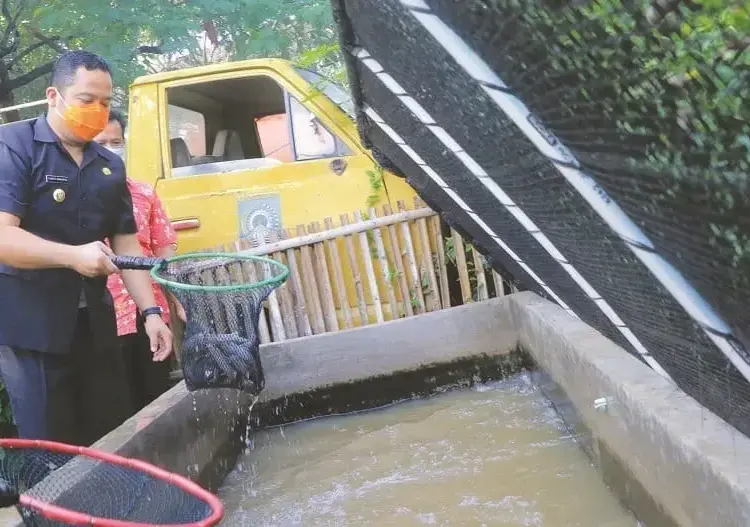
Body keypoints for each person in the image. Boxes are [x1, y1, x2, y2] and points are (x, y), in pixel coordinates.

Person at [0, 51, 173, 445]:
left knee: (108, 435)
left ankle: (112, 507)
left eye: (105, 102)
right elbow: (3, 237)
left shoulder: (108, 165)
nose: (97, 110)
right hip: (31, 328)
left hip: (95, 324)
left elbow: (126, 243)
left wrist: (150, 313)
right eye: (86, 100)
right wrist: (73, 257)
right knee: (50, 446)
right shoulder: (13, 147)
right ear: (53, 96)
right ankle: (48, 508)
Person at [94, 110, 185, 412]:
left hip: (149, 311)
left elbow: (163, 250)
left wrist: (177, 298)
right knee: (117, 405)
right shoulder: (75, 195)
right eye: (101, 142)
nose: (110, 149)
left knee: (157, 398)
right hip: (104, 314)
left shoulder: (143, 192)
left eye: (116, 141)